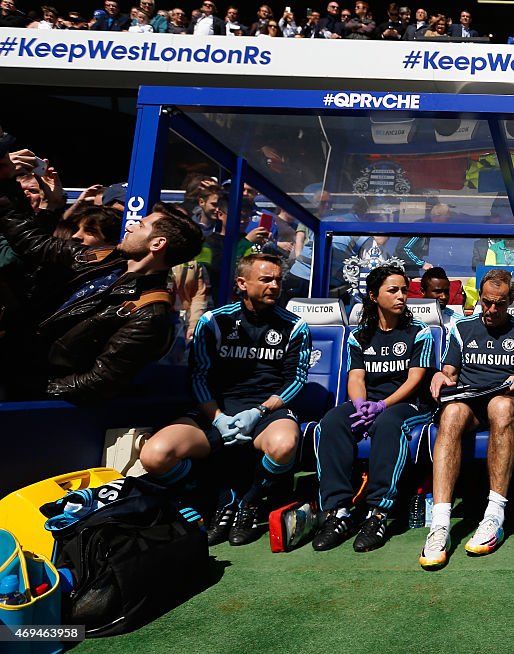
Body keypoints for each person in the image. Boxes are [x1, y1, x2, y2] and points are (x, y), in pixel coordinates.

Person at [0, 149, 204, 401]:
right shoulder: (100, 257)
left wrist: (28, 386)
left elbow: (100, 380)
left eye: (140, 225)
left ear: (157, 244)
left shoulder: (149, 315)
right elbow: (34, 244)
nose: (129, 225)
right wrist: (7, 180)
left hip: (25, 396)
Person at [140, 253, 311, 547]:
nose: (274, 286)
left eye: (278, 280)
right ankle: (214, 497)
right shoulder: (214, 321)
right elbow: (199, 376)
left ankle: (249, 502)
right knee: (154, 454)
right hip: (215, 410)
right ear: (242, 283)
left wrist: (258, 412)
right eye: (266, 279)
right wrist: (217, 417)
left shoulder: (295, 325)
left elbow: (295, 381)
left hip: (265, 413)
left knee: (285, 445)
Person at [419, 269, 514, 569]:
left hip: (507, 402)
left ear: (511, 299)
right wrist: (439, 378)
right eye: (486, 302)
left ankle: (493, 516)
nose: (491, 310)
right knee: (452, 412)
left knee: (500, 406)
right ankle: (440, 523)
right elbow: (450, 371)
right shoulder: (463, 327)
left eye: (499, 304)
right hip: (471, 402)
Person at [313, 265, 435, 552]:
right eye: (393, 290)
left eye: (404, 290)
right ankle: (338, 512)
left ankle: (378, 513)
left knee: (389, 422)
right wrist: (359, 405)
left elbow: (415, 379)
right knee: (332, 421)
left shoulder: (419, 331)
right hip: (369, 402)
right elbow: (355, 377)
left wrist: (381, 405)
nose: (401, 296)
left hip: (408, 405)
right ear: (373, 296)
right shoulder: (360, 336)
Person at [419, 266, 461, 330]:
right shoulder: (409, 319)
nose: (444, 297)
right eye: (438, 292)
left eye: (446, 292)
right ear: (423, 291)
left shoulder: (459, 322)